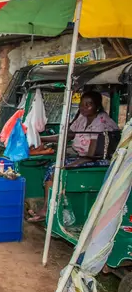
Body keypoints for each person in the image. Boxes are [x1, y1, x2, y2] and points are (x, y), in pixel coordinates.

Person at [27, 91, 118, 222]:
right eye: (82, 104)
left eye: (89, 105)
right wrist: (40, 138)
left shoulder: (101, 122)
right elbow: (67, 136)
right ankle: (49, 208)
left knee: (55, 169)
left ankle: (47, 209)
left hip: (100, 160)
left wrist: (76, 163)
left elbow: (92, 154)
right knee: (52, 166)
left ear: (97, 106)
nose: (84, 107)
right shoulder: (82, 117)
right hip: (84, 157)